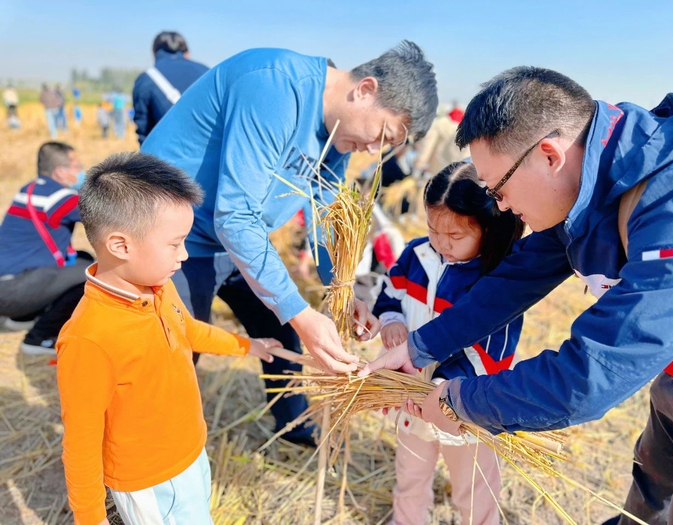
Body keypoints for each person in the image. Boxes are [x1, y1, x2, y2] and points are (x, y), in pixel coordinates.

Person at [360, 68, 673, 525]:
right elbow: (511, 283)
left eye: (498, 188)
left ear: (548, 155)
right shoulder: (591, 182)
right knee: (646, 504)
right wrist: (419, 347)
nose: (498, 206)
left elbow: (588, 376)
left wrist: (459, 401)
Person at [141, 41, 438, 445]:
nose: (372, 151)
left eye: (385, 148)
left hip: (234, 240)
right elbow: (235, 213)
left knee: (279, 331)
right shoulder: (275, 87)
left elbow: (323, 217)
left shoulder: (338, 138)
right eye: (380, 135)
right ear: (365, 90)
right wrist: (299, 310)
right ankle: (142, 471)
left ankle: (293, 425)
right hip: (172, 234)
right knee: (176, 349)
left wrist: (341, 292)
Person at [56, 152, 281, 525]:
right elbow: (79, 444)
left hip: (190, 450)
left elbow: (190, 331)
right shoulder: (88, 339)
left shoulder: (158, 288)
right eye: (175, 244)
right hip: (152, 480)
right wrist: (91, 518)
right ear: (121, 246)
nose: (185, 255)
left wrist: (248, 346)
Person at [372, 162, 524, 525]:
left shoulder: (496, 282)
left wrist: (443, 387)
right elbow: (390, 292)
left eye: (454, 236)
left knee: (474, 484)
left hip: (465, 405)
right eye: (432, 230)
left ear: (487, 229)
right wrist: (391, 320)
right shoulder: (416, 256)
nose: (441, 243)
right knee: (410, 475)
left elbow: (493, 355)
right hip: (409, 397)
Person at [0, 142, 90, 354]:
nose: (81, 170)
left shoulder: (31, 188)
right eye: (76, 166)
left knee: (82, 258)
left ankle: (25, 316)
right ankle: (39, 338)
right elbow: (105, 215)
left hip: (8, 282)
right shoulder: (58, 198)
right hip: (13, 289)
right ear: (60, 171)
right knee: (93, 274)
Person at [132, 31, 209, 144]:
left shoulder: (146, 78)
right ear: (187, 52)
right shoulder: (208, 72)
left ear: (154, 53)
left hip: (167, 156)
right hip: (211, 154)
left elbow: (144, 130)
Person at [414, 104, 466, 177]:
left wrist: (418, 166)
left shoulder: (438, 125)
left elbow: (427, 147)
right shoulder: (457, 128)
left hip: (440, 168)